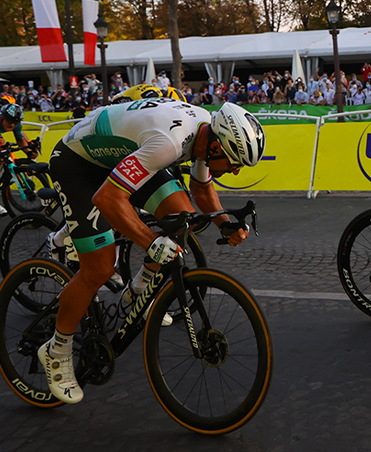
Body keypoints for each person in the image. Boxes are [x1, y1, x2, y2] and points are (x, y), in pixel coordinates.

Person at [39, 98, 265, 405]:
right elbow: (107, 198)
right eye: (234, 162)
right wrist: (149, 241)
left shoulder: (205, 131)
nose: (236, 172)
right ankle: (57, 349)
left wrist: (224, 222)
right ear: (215, 147)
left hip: (125, 154)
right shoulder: (169, 144)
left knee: (184, 219)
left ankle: (139, 290)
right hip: (79, 163)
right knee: (100, 268)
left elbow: (200, 189)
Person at [0, 104, 37, 215]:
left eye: (15, 122)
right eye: (10, 121)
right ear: (2, 117)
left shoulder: (15, 123)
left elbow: (20, 139)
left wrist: (29, 152)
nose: (12, 124)